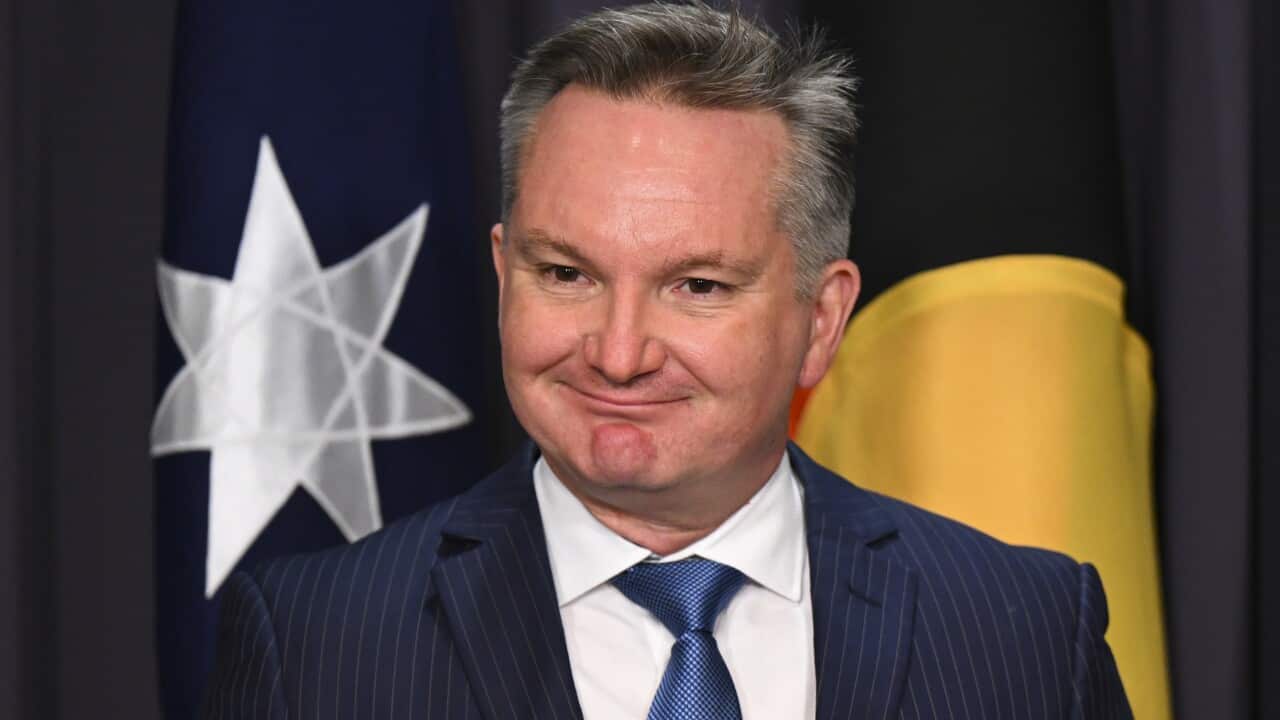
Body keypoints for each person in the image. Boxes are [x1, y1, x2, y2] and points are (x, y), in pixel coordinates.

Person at [201, 3, 1132, 718]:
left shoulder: (1025, 631)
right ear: (501, 273)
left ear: (822, 318)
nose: (617, 353)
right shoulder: (315, 646)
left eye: (697, 286)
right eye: (566, 273)